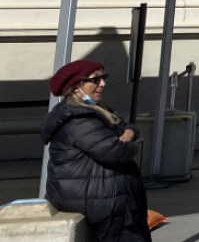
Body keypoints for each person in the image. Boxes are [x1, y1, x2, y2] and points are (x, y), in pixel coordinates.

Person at [41, 59, 151, 241]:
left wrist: (128, 134)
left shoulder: (98, 110)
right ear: (76, 87)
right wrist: (129, 142)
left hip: (104, 199)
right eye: (95, 79)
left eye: (103, 77)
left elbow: (127, 127)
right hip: (99, 204)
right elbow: (116, 152)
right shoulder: (79, 120)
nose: (103, 83)